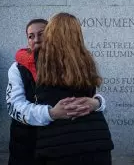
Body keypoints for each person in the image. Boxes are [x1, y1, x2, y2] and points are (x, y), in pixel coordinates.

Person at [6, 19, 106, 165]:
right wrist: (51, 113)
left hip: (58, 143)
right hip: (27, 140)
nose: (36, 40)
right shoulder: (17, 67)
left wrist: (97, 102)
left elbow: (87, 95)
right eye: (31, 36)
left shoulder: (69, 62)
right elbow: (14, 106)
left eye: (42, 34)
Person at [34, 12, 113, 165]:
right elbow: (90, 96)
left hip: (57, 141)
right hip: (96, 137)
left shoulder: (41, 59)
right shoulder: (86, 59)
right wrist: (96, 102)